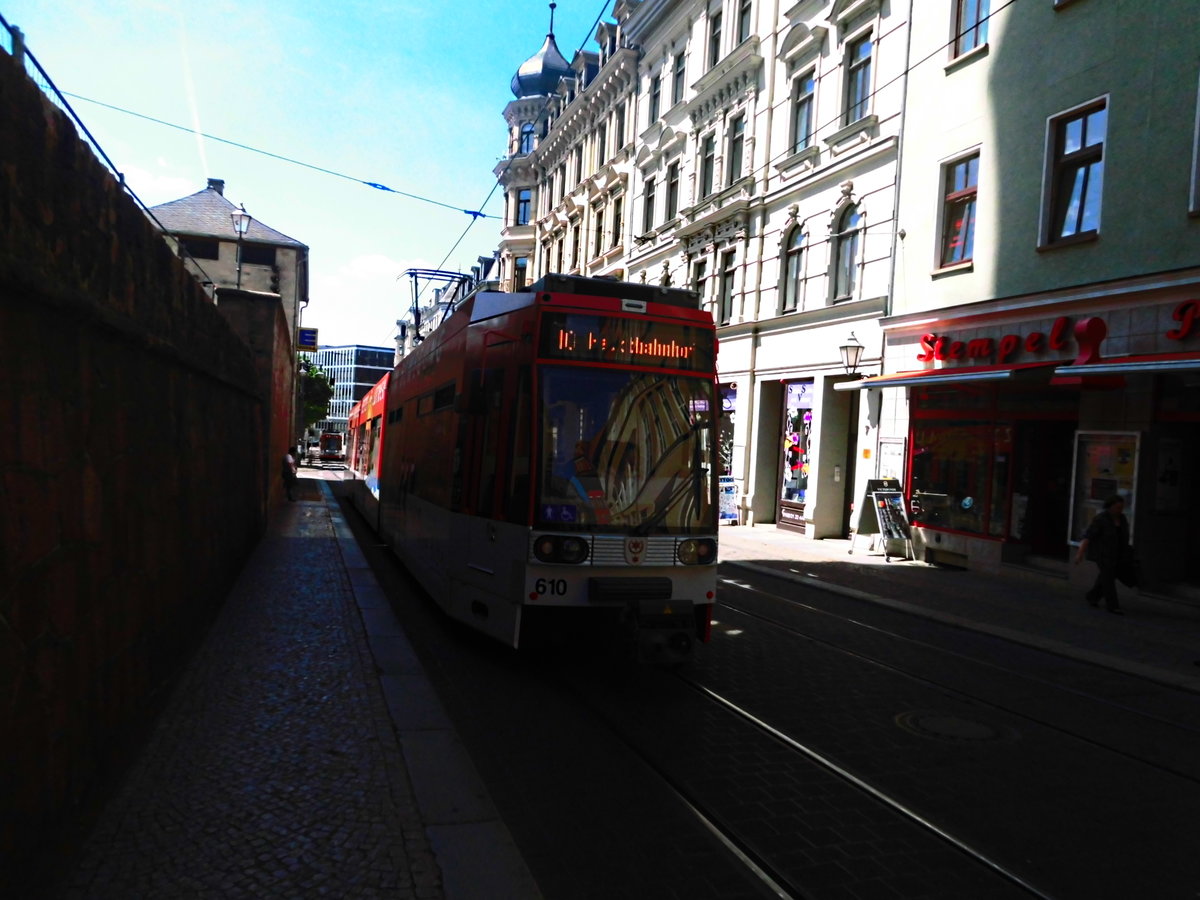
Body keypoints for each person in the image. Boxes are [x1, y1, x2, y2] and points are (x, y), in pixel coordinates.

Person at [1074, 494, 1131, 615]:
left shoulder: (1123, 519)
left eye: (1121, 507)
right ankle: (1113, 605)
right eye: (1117, 507)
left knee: (1106, 577)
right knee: (1108, 578)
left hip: (1118, 553)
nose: (1119, 510)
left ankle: (1092, 596)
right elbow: (1088, 536)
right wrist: (1080, 553)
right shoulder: (1101, 519)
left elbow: (1124, 536)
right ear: (1110, 507)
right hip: (1103, 554)